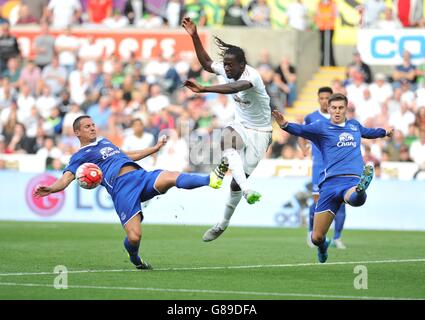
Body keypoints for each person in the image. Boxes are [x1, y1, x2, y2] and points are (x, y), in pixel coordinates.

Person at [33, 115, 229, 270]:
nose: (92, 128)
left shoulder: (105, 142)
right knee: (134, 237)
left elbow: (126, 155)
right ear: (77, 132)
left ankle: (210, 180)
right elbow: (66, 178)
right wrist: (51, 189)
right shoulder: (79, 157)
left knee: (171, 176)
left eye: (93, 124)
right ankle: (135, 258)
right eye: (87, 126)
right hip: (122, 189)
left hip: (141, 177)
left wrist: (154, 149)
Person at [272, 93, 393, 263]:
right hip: (329, 185)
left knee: (356, 199)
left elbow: (369, 132)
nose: (337, 111)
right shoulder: (321, 127)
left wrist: (384, 132)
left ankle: (361, 188)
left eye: (341, 108)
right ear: (329, 109)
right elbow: (301, 130)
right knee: (316, 238)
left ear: (346, 109)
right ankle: (324, 246)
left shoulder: (354, 126)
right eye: (334, 108)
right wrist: (284, 125)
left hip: (351, 180)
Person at [181, 17, 272, 241]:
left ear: (242, 65)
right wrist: (194, 35)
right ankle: (248, 189)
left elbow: (235, 87)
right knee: (226, 136)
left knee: (234, 184)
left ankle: (223, 223)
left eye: (231, 65)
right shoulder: (228, 69)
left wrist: (204, 88)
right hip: (241, 126)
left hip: (261, 133)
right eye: (226, 65)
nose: (227, 68)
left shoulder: (252, 77)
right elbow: (206, 63)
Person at [298, 87, 347, 249]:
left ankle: (337, 238)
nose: (325, 101)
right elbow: (302, 134)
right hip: (319, 167)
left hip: (338, 167)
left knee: (341, 202)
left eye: (328, 98)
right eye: (322, 98)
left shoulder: (340, 118)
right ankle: (312, 233)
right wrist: (304, 149)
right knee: (318, 202)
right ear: (318, 99)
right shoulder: (312, 117)